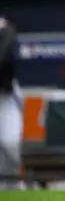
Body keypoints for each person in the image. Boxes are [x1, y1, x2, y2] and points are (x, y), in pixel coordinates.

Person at [0, 17, 23, 191]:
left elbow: (9, 35)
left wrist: (4, 29)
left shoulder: (5, 31)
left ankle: (13, 188)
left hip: (5, 96)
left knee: (10, 144)